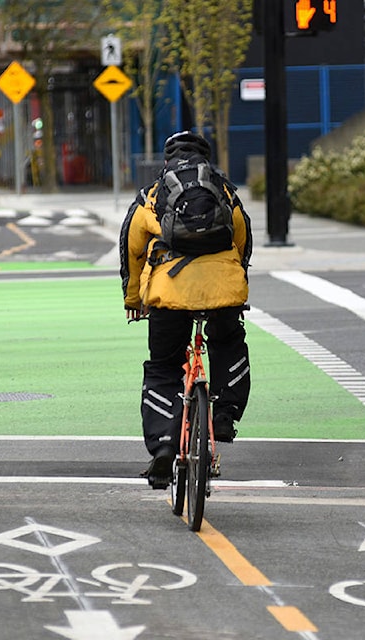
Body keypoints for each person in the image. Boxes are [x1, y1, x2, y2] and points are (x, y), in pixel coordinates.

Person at [119, 131, 253, 489]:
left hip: (168, 292)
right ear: (207, 160)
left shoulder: (152, 194)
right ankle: (223, 415)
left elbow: (131, 249)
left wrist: (134, 300)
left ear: (166, 161)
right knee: (228, 341)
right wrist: (238, 288)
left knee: (164, 367)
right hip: (223, 288)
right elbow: (242, 239)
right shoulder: (223, 189)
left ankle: (164, 446)